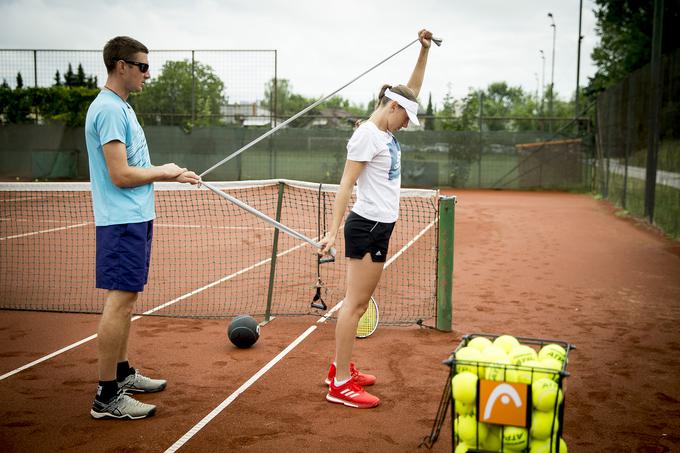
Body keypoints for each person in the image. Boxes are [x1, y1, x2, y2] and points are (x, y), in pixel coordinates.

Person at [85, 36, 201, 419]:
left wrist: (173, 174)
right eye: (143, 66)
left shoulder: (122, 107)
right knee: (120, 303)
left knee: (127, 301)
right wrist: (166, 173)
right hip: (121, 220)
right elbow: (119, 174)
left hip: (135, 217)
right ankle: (106, 397)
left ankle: (120, 374)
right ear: (122, 66)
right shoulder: (109, 110)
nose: (148, 74)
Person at [318, 29, 434, 408]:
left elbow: (411, 88)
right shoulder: (368, 135)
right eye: (405, 117)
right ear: (391, 107)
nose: (407, 124)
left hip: (378, 226)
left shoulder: (386, 126)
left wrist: (423, 51)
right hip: (366, 226)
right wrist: (332, 232)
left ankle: (340, 370)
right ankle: (339, 383)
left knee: (360, 303)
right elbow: (344, 185)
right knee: (355, 304)